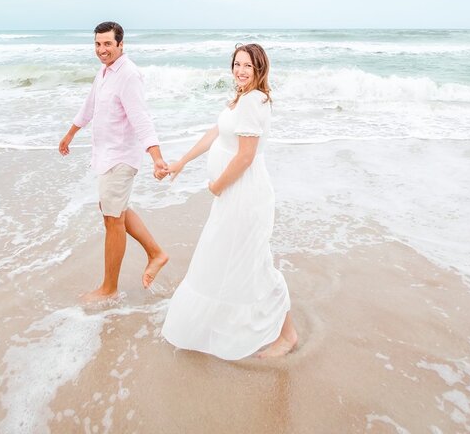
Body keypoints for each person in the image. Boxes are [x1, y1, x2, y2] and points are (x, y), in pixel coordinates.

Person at [159, 43, 298, 359]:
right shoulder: (242, 100)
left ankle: (288, 335)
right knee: (227, 259)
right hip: (235, 195)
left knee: (256, 264)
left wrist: (217, 186)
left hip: (242, 195)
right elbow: (215, 133)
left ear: (260, 68)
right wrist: (182, 161)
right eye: (237, 64)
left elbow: (246, 156)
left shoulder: (253, 101)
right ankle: (227, 324)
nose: (241, 70)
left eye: (248, 65)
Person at [59, 21, 170, 304]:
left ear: (121, 44)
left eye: (108, 44)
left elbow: (141, 118)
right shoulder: (105, 71)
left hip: (121, 156)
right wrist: (70, 133)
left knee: (112, 219)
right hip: (106, 155)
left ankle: (109, 289)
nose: (102, 50)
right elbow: (90, 105)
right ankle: (156, 253)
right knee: (114, 210)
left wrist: (156, 157)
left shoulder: (129, 75)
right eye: (98, 44)